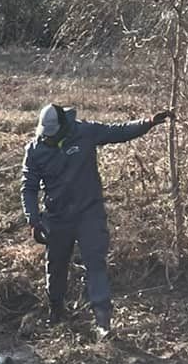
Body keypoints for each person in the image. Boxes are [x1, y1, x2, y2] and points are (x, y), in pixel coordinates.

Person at [19, 101, 172, 337]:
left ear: (63, 125)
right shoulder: (35, 149)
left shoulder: (84, 132)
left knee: (95, 264)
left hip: (89, 213)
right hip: (57, 217)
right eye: (45, 133)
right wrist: (33, 219)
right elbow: (28, 187)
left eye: (52, 133)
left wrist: (148, 123)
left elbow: (117, 131)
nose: (48, 137)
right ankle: (56, 311)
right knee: (56, 266)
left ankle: (103, 322)